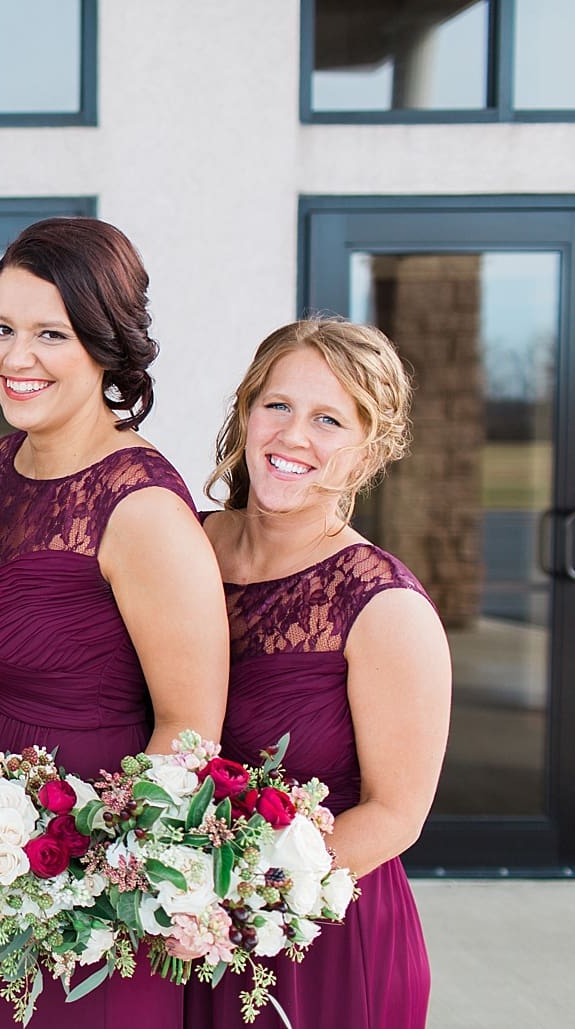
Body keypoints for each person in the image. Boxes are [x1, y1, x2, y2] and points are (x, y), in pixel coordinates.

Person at [0, 217, 228, 1026]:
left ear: (106, 346)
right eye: (1, 329)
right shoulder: (0, 467)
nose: (16, 358)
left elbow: (188, 733)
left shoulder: (141, 506)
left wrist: (79, 881)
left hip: (86, 911)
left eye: (51, 334)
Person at [186, 319, 448, 1028]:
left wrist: (226, 891)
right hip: (175, 934)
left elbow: (395, 815)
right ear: (245, 411)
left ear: (369, 451)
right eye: (277, 405)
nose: (292, 435)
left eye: (327, 419)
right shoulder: (181, 545)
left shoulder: (384, 605)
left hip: (319, 942)